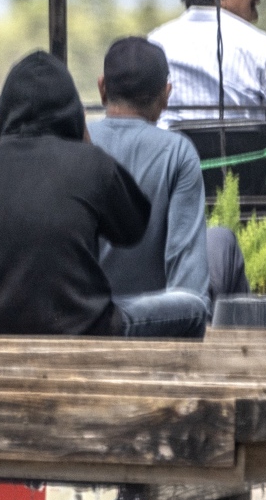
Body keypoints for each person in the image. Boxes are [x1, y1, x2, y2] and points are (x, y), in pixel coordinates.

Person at [0, 51, 210, 337]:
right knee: (193, 308)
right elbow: (132, 230)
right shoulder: (92, 163)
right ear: (73, 111)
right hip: (85, 328)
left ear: (2, 111)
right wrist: (85, 145)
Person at [88, 37, 213, 338]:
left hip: (79, 325)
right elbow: (189, 287)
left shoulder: (74, 142)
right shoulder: (177, 153)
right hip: (151, 331)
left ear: (102, 88)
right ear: (165, 95)